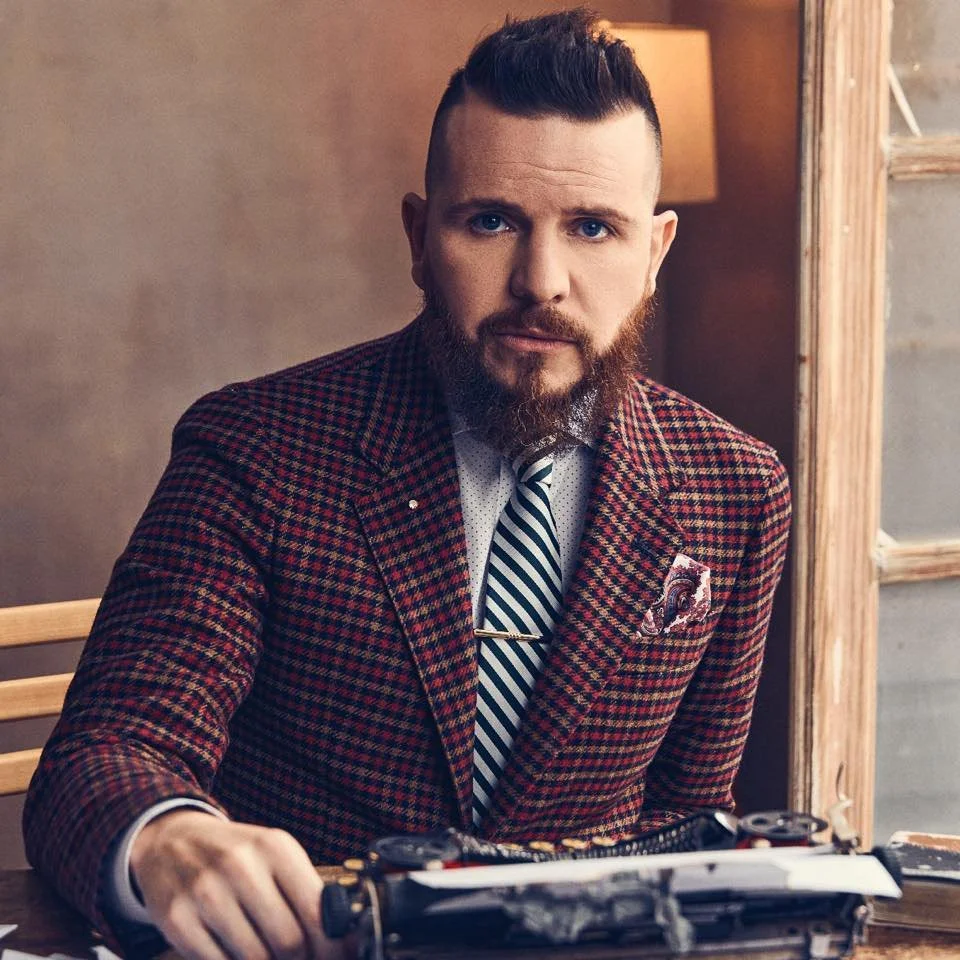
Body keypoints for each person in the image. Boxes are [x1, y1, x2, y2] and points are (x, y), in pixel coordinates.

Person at [24, 9, 791, 960]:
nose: (540, 281)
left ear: (655, 255)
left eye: (594, 228)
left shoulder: (741, 490)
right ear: (421, 238)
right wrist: (170, 837)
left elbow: (692, 819)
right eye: (492, 220)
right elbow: (106, 754)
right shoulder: (253, 449)